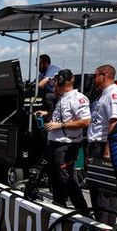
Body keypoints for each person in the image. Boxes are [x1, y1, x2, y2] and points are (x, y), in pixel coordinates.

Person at [42, 70, 91, 216]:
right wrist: (47, 115)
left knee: (66, 178)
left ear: (65, 81)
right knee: (55, 178)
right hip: (55, 144)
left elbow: (85, 121)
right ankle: (59, 208)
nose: (55, 84)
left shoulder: (78, 98)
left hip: (67, 145)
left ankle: (84, 212)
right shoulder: (62, 98)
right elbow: (61, 117)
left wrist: (61, 126)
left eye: (57, 81)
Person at [87, 64, 117, 224]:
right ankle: (101, 223)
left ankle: (105, 228)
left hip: (104, 148)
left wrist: (107, 152)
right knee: (95, 189)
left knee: (104, 192)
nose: (94, 79)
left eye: (95, 76)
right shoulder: (102, 96)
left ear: (105, 75)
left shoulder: (114, 94)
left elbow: (114, 122)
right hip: (95, 147)